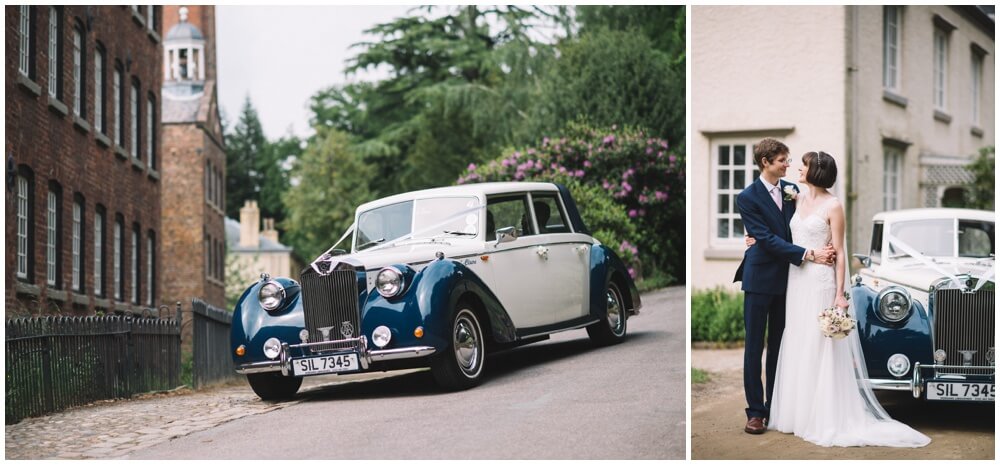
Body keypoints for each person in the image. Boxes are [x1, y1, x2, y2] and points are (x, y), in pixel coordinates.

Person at [762, 151, 930, 447]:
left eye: (803, 166)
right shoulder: (796, 198)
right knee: (799, 340)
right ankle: (796, 414)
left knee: (819, 345)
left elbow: (839, 253)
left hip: (821, 282)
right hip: (797, 280)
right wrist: (754, 237)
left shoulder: (834, 206)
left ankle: (822, 415)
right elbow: (780, 230)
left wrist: (840, 294)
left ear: (816, 171)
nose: (797, 170)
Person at [733, 138, 835, 435]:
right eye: (782, 160)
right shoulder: (747, 197)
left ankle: (775, 404)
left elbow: (807, 223)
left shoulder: (794, 192)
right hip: (760, 278)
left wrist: (821, 244)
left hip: (792, 280)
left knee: (780, 343)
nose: (788, 165)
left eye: (789, 160)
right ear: (766, 162)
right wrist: (807, 254)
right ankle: (755, 412)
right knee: (754, 346)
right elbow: (764, 237)